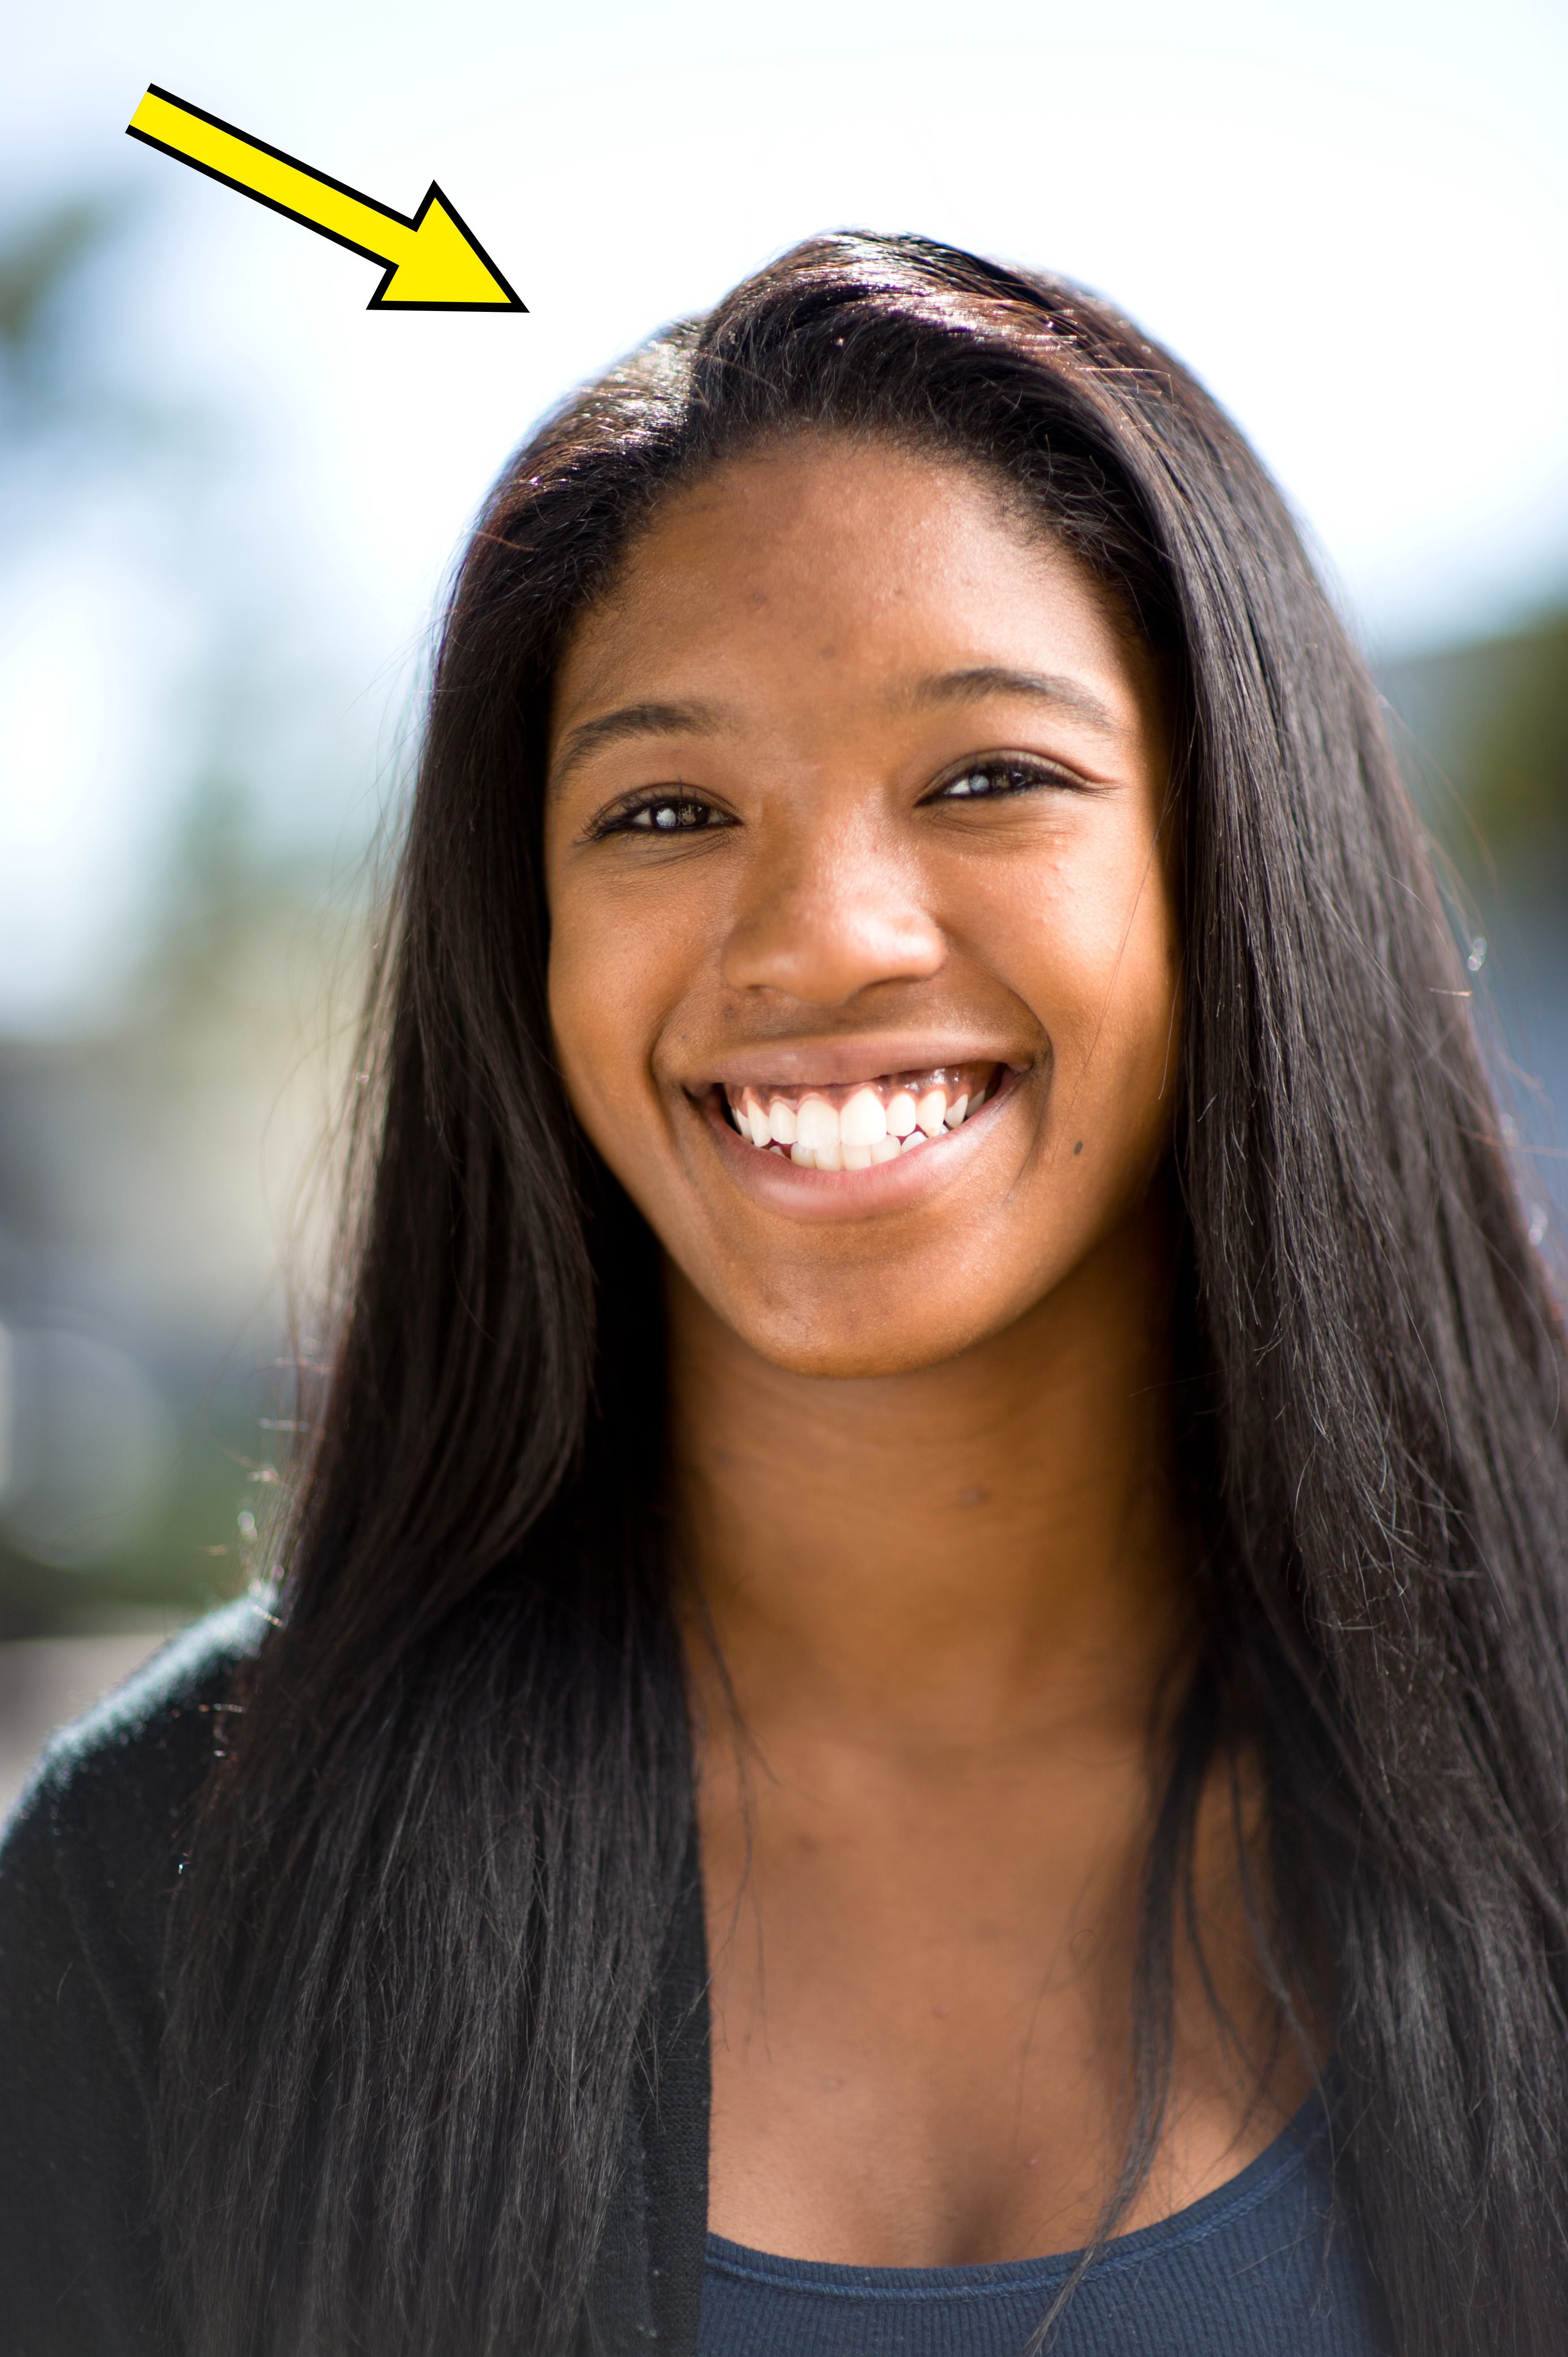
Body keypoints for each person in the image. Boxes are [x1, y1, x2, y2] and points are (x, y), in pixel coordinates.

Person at [2, 232, 1565, 2357]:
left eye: (986, 777)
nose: (821, 934)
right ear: (521, 956)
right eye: (661, 808)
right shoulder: (151, 1898)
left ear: (1233, 867)